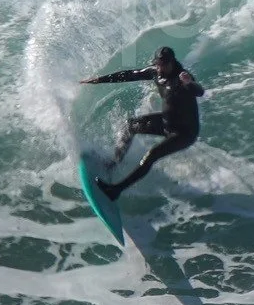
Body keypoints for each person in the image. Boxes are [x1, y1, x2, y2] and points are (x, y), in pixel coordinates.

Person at [82, 46, 206, 198]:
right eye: (158, 64)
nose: (160, 68)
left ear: (172, 62)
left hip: (184, 132)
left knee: (152, 154)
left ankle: (115, 190)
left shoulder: (181, 78)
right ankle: (113, 164)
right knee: (131, 125)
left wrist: (188, 83)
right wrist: (99, 80)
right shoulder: (155, 72)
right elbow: (130, 74)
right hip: (167, 122)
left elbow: (199, 91)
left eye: (164, 65)